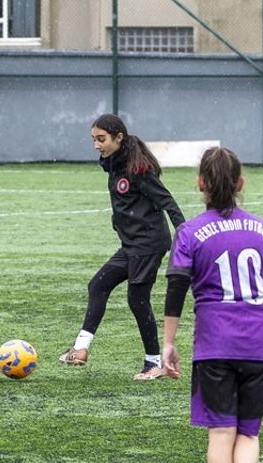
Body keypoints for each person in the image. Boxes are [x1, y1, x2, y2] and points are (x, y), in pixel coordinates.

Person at [162, 146, 263, 463]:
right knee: (248, 433)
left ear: (200, 184)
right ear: (240, 184)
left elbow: (176, 289)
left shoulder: (189, 232)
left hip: (215, 343)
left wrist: (167, 343)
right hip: (259, 339)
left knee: (220, 432)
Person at [60, 114, 186, 379]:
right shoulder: (115, 164)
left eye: (101, 139)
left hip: (148, 244)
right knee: (98, 285)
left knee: (137, 299)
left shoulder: (137, 169)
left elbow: (167, 201)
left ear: (119, 138)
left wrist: (185, 234)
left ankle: (154, 363)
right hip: (131, 245)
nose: (96, 145)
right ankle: (80, 349)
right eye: (93, 139)